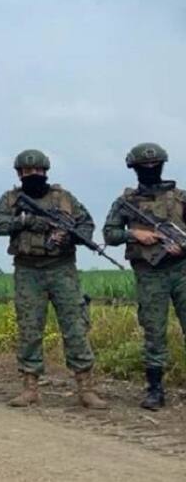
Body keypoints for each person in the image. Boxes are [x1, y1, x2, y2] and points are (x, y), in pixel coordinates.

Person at [0, 150, 107, 409]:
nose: (32, 175)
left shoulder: (64, 198)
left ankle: (86, 388)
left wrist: (70, 235)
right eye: (26, 172)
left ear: (45, 171)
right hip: (28, 270)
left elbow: (86, 224)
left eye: (37, 171)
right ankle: (30, 388)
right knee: (29, 329)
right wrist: (27, 222)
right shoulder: (10, 200)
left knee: (75, 326)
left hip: (62, 269)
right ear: (19, 174)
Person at [102, 143, 186, 411]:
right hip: (150, 274)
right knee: (153, 330)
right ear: (134, 169)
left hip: (181, 270)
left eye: (154, 165)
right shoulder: (126, 203)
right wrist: (135, 235)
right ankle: (155, 389)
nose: (150, 169)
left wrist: (181, 246)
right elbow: (109, 234)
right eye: (144, 166)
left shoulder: (181, 198)